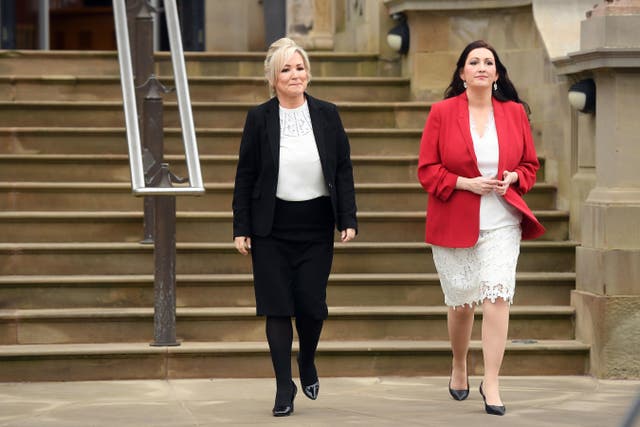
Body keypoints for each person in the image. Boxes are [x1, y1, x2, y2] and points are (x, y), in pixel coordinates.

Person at [417, 40, 545, 416]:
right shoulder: (441, 112)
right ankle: (459, 364)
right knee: (461, 304)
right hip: (455, 219)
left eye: (489, 62)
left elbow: (529, 166)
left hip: (503, 220)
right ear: (462, 73)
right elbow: (427, 170)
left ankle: (491, 381)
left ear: (497, 72)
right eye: (474, 62)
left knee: (497, 295)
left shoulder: (515, 113)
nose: (482, 67)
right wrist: (463, 183)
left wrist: (513, 178)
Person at [232, 37, 357, 417]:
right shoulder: (259, 118)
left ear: (309, 73)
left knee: (311, 308)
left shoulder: (327, 114)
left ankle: (306, 361)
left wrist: (347, 218)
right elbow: (246, 175)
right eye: (285, 69)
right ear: (272, 78)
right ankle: (283, 386)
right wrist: (242, 226)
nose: (294, 75)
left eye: (299, 67)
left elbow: (342, 169)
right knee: (276, 307)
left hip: (316, 224)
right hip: (271, 226)